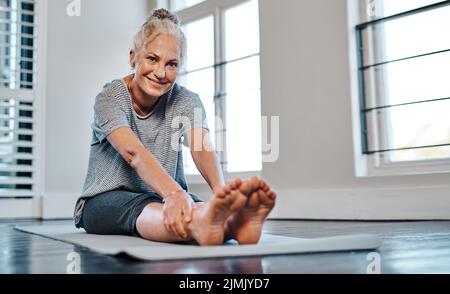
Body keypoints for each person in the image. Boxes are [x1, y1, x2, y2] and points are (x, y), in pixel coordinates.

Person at [73, 8, 276, 246]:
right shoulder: (110, 98)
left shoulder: (186, 100)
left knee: (197, 206)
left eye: (172, 64)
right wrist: (173, 193)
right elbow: (133, 153)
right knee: (146, 207)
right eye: (152, 59)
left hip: (164, 194)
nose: (161, 72)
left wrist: (223, 194)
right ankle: (198, 226)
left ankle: (233, 224)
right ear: (133, 58)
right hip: (104, 201)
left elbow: (202, 148)